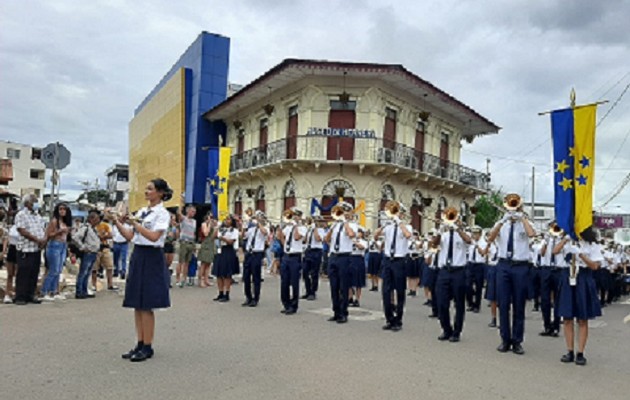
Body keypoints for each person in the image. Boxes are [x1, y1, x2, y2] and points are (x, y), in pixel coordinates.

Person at [113, 179, 172, 362]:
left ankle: (148, 345)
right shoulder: (142, 212)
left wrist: (135, 223)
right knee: (137, 304)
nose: (146, 192)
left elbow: (154, 237)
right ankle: (139, 342)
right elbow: (130, 236)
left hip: (152, 256)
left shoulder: (162, 214)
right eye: (146, 189)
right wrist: (117, 221)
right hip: (138, 254)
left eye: (150, 189)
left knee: (147, 304)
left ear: (160, 193)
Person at [486, 194, 536, 355]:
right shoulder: (502, 224)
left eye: (516, 206)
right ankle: (504, 339)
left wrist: (523, 218)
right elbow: (490, 238)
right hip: (504, 265)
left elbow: (532, 234)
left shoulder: (525, 223)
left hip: (520, 266)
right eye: (512, 205)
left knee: (519, 305)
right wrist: (502, 220)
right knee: (503, 304)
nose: (514, 208)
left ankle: (517, 341)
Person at [556, 231, 603, 366]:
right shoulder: (566, 240)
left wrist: (581, 254)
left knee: (582, 318)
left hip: (583, 277)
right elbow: (554, 251)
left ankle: (580, 353)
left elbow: (595, 266)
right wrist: (565, 240)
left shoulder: (592, 244)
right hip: (567, 275)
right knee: (567, 317)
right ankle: (569, 351)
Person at [433, 212, 472, 342]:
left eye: (453, 219)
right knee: (442, 303)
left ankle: (457, 332)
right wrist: (439, 230)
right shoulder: (443, 235)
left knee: (459, 304)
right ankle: (446, 329)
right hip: (444, 271)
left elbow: (469, 240)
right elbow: (434, 244)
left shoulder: (463, 234)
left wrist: (458, 229)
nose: (451, 222)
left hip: (458, 271)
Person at [373, 202, 412, 331]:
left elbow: (407, 235)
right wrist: (384, 224)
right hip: (387, 260)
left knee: (400, 291)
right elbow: (375, 235)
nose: (395, 214)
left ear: (403, 214)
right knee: (386, 291)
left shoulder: (407, 227)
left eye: (398, 212)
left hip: (399, 261)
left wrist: (399, 222)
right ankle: (389, 319)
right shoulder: (388, 227)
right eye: (395, 212)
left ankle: (398, 320)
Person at [324, 202, 357, 323]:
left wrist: (345, 222)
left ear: (350, 213)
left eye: (345, 211)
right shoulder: (335, 225)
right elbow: (326, 240)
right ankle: (336, 312)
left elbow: (351, 234)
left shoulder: (352, 225)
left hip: (345, 257)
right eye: (341, 211)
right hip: (333, 256)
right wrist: (331, 229)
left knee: (343, 286)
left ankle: (344, 313)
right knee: (334, 286)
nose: (342, 213)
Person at [13, 194, 46, 305]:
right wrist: (37, 239)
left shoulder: (37, 216)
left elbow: (42, 229)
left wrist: (43, 240)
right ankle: (20, 297)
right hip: (25, 249)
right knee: (23, 274)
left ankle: (30, 295)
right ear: (28, 203)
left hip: (36, 249)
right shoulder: (21, 215)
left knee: (34, 273)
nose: (37, 204)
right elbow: (22, 231)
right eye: (34, 201)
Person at [278, 208, 307, 315]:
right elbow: (280, 238)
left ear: (299, 217)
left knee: (294, 282)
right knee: (284, 281)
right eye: (293, 215)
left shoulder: (302, 228)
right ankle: (286, 304)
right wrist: (281, 228)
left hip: (295, 257)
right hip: (286, 255)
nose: (293, 217)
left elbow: (296, 237)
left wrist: (295, 226)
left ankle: (294, 306)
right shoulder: (288, 227)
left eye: (296, 216)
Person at [41, 202, 72, 301]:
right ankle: (44, 291)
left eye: (64, 209)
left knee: (58, 270)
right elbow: (48, 235)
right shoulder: (54, 221)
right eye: (60, 209)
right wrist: (59, 231)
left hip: (63, 245)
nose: (62, 211)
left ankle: (54, 291)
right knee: (53, 270)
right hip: (54, 245)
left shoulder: (64, 222)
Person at [538, 223, 563, 337]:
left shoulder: (562, 239)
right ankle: (547, 326)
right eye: (552, 227)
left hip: (558, 270)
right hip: (546, 269)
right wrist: (546, 242)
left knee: (558, 300)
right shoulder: (546, 240)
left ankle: (556, 326)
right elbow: (542, 253)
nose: (554, 229)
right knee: (545, 300)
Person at [241, 210, 268, 307]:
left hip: (257, 254)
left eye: (259, 217)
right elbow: (243, 236)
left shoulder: (265, 228)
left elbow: (264, 233)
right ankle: (248, 297)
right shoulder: (251, 229)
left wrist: (259, 223)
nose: (256, 219)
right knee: (246, 277)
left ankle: (255, 298)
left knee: (256, 277)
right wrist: (244, 226)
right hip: (249, 253)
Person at [74, 210, 101, 299]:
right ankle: (79, 291)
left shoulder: (93, 229)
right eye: (96, 219)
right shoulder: (85, 228)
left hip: (93, 252)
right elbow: (76, 237)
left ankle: (84, 290)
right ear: (91, 219)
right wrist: (82, 247)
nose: (98, 221)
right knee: (83, 272)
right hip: (88, 253)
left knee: (87, 273)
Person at [212, 215, 239, 302]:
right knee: (219, 273)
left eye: (228, 219)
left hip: (228, 251)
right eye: (225, 219)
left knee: (227, 274)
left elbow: (231, 242)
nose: (226, 221)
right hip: (220, 250)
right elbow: (213, 237)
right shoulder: (222, 229)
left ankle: (227, 293)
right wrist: (217, 228)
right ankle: (220, 292)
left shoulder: (234, 230)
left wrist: (222, 238)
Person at [91, 213, 118, 292]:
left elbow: (111, 235)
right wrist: (101, 236)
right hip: (95, 248)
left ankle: (110, 284)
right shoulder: (91, 226)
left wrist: (103, 236)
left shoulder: (105, 225)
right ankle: (94, 285)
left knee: (109, 266)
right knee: (94, 268)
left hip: (105, 247)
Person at [302, 216, 325, 300]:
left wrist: (315, 229)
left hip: (316, 251)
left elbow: (318, 239)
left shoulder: (321, 230)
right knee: (305, 272)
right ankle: (307, 291)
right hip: (308, 251)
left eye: (316, 221)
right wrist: (307, 231)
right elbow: (304, 241)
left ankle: (313, 292)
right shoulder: (309, 229)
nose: (315, 222)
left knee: (314, 273)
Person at [176, 200, 197, 288]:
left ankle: (184, 278)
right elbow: (178, 213)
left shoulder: (194, 221)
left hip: (191, 242)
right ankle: (178, 279)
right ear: (188, 211)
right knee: (181, 261)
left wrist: (194, 245)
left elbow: (194, 232)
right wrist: (181, 204)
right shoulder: (184, 219)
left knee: (187, 262)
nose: (193, 213)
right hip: (184, 242)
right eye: (192, 211)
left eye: (194, 212)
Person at [465, 226, 486, 313]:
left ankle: (477, 305)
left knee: (478, 286)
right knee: (467, 285)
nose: (474, 235)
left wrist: (477, 246)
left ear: (480, 234)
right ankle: (470, 303)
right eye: (473, 233)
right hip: (470, 264)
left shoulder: (484, 243)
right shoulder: (470, 242)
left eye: (476, 233)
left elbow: (483, 254)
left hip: (479, 265)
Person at [3, 221, 20, 304]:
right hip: (12, 249)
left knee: (18, 274)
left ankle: (16, 293)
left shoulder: (24, 228)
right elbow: (7, 239)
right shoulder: (12, 227)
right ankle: (7, 294)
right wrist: (4, 250)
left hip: (20, 249)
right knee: (10, 274)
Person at [349, 228, 367, 307]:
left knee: (358, 282)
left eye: (359, 232)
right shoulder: (350, 240)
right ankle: (350, 298)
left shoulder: (364, 241)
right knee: (349, 280)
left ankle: (357, 299)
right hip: (350, 258)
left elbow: (362, 247)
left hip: (359, 259)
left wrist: (355, 242)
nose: (358, 234)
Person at [197, 212, 216, 288]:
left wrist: (215, 226)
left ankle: (206, 279)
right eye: (210, 217)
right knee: (204, 263)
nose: (211, 219)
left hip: (211, 244)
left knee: (209, 263)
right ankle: (201, 280)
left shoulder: (213, 225)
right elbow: (206, 233)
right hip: (206, 244)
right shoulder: (204, 224)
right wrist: (209, 225)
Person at [484, 233, 499, 328]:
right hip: (492, 268)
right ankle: (494, 318)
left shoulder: (501, 244)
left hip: (501, 267)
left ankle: (503, 318)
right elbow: (484, 253)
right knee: (493, 296)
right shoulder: (490, 246)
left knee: (503, 295)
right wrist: (488, 244)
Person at [112, 215, 132, 280]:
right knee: (115, 258)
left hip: (124, 243)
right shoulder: (115, 226)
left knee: (124, 258)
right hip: (116, 243)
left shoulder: (127, 226)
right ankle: (116, 271)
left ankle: (123, 272)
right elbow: (113, 234)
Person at [406, 231, 423, 297]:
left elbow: (418, 248)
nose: (414, 236)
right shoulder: (409, 242)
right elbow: (407, 249)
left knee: (415, 276)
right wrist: (411, 241)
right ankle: (410, 289)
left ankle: (414, 289)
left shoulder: (419, 242)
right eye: (413, 234)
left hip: (416, 258)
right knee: (409, 275)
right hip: (410, 257)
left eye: (415, 235)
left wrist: (415, 242)